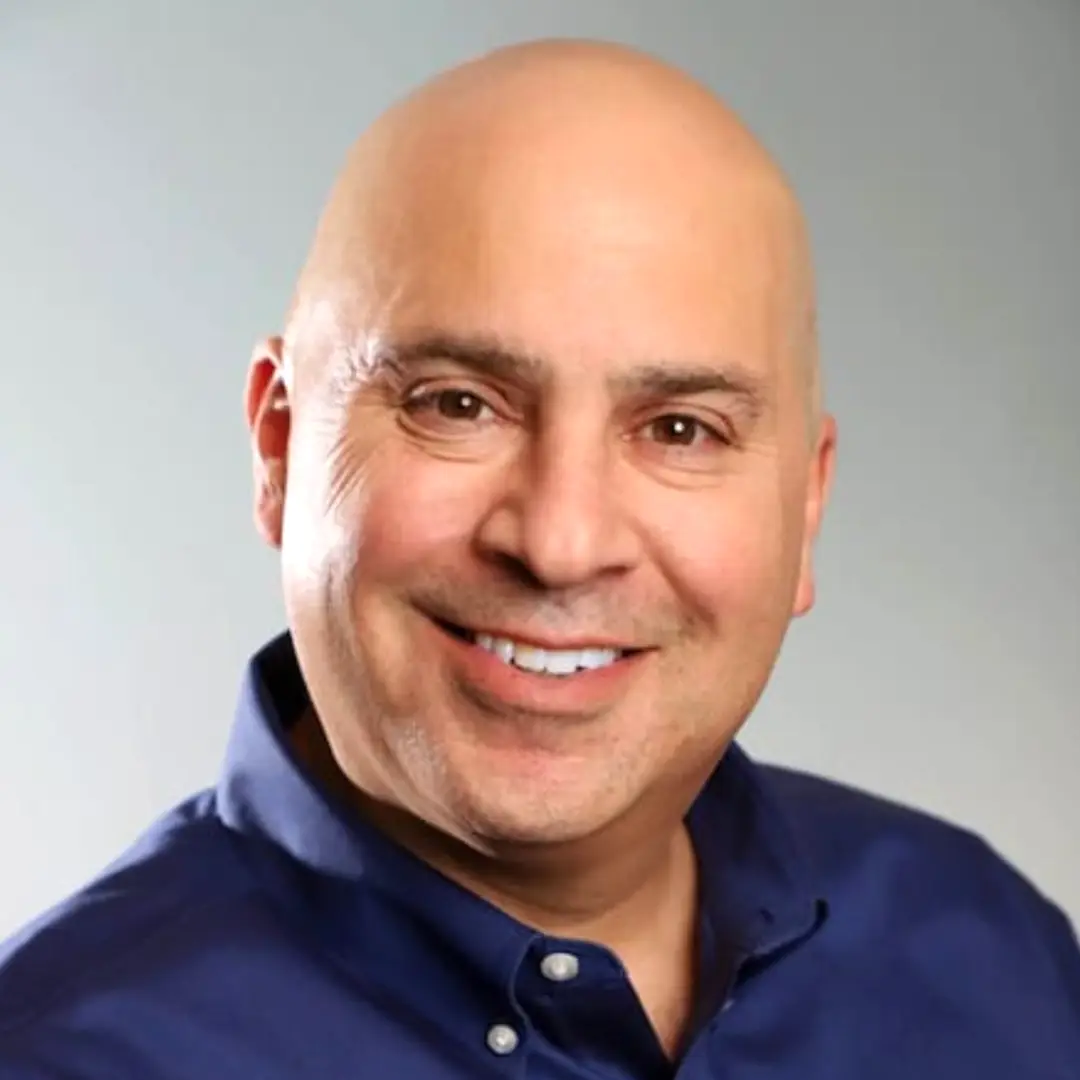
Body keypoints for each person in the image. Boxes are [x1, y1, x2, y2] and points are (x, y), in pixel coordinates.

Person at [0, 38, 1077, 1079]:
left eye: (679, 430)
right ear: (280, 448)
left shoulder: (994, 955)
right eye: (457, 404)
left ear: (806, 507)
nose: (562, 545)